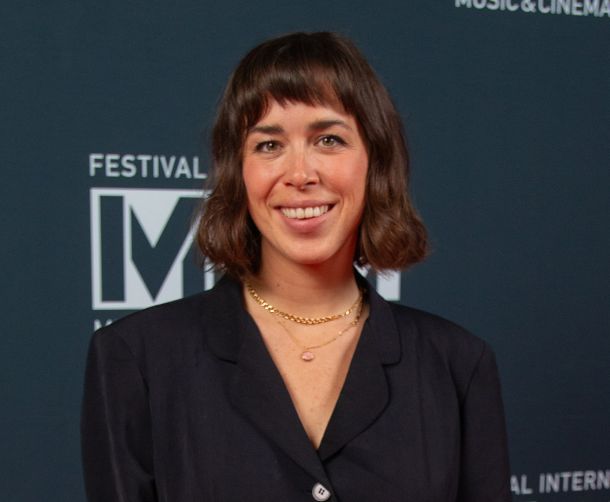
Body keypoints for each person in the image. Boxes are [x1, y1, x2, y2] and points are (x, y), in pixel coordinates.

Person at [81, 32, 512, 501]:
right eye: (269, 145)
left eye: (329, 140)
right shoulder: (136, 358)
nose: (301, 174)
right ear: (237, 171)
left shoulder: (457, 365)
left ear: (375, 162)